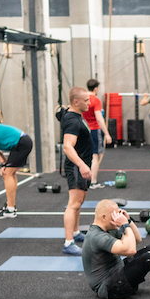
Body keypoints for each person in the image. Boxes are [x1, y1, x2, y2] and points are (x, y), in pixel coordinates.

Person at [59, 86, 95, 255]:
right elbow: (67, 146)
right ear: (75, 102)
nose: (89, 102)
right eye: (86, 100)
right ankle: (68, 243)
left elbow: (60, 113)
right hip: (76, 166)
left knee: (78, 202)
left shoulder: (71, 114)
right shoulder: (73, 121)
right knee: (73, 205)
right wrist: (81, 165)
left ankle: (75, 232)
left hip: (81, 164)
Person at [84, 78, 111, 188]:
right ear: (96, 89)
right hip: (94, 130)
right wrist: (107, 134)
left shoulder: (82, 99)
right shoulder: (95, 100)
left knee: (85, 155)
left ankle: (85, 180)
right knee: (95, 156)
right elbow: (99, 118)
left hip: (83, 129)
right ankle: (93, 181)